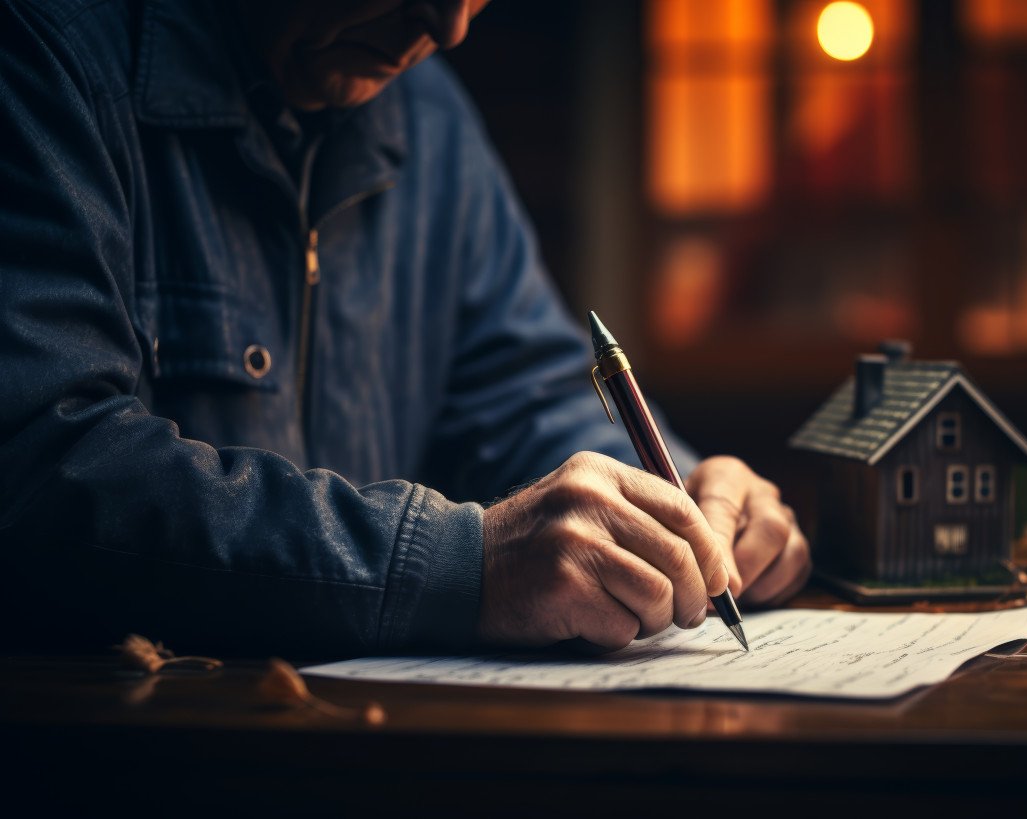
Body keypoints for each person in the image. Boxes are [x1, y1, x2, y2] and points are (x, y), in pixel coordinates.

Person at [0, 0, 810, 657]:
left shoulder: (429, 120)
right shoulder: (45, 54)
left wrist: (690, 508)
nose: (450, 23)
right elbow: (44, 466)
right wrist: (459, 565)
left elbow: (521, 397)